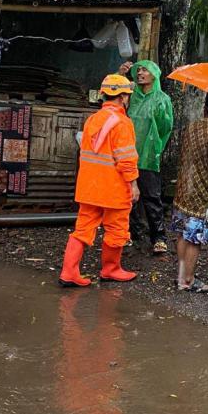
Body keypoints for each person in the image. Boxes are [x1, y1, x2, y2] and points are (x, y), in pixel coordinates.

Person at [58, 74, 141, 287]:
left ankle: (68, 272)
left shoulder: (92, 120)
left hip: (89, 188)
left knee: (83, 229)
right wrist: (133, 184)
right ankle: (111, 269)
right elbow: (126, 159)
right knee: (117, 230)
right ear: (122, 97)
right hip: (113, 190)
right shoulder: (123, 123)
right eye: (127, 95)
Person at [172, 93, 208, 293]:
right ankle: (187, 279)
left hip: (182, 191)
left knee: (181, 233)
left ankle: (180, 274)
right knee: (194, 239)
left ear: (204, 109)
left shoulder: (190, 129)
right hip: (202, 197)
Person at [119, 60, 174, 254]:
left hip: (149, 156)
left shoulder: (162, 99)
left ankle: (158, 237)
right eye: (138, 70)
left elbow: (165, 127)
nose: (140, 73)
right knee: (128, 198)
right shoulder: (131, 97)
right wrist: (121, 75)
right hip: (128, 155)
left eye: (145, 70)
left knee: (152, 197)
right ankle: (133, 234)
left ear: (154, 75)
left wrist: (155, 145)